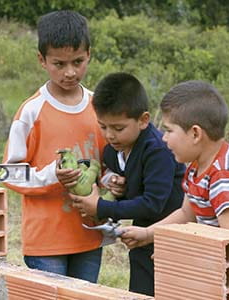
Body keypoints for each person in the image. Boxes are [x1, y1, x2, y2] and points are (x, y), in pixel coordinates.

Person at [120, 80, 229, 299]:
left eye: (169, 130)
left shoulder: (224, 176)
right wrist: (147, 234)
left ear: (195, 134)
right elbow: (186, 214)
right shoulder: (196, 166)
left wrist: (182, 254)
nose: (163, 138)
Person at [2, 10, 108, 283]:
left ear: (89, 55)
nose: (70, 72)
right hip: (46, 240)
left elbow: (106, 164)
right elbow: (9, 172)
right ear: (42, 60)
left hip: (89, 234)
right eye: (59, 64)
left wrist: (112, 180)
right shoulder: (31, 112)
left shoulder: (100, 108)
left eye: (78, 61)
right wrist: (52, 175)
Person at [70, 72, 185, 296]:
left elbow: (153, 204)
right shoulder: (114, 151)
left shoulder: (157, 151)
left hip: (170, 238)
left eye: (118, 128)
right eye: (103, 127)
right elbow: (125, 183)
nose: (110, 135)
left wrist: (101, 207)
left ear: (143, 120)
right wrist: (114, 185)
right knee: (140, 292)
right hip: (142, 238)